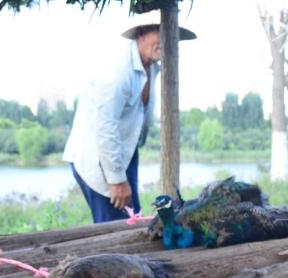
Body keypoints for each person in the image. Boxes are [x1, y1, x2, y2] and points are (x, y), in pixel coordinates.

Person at [63, 13, 196, 223]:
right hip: (99, 157)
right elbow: (105, 127)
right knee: (114, 228)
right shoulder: (118, 70)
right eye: (159, 33)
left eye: (170, 35)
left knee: (133, 221)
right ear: (141, 33)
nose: (166, 41)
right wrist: (116, 180)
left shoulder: (152, 67)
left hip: (125, 152)